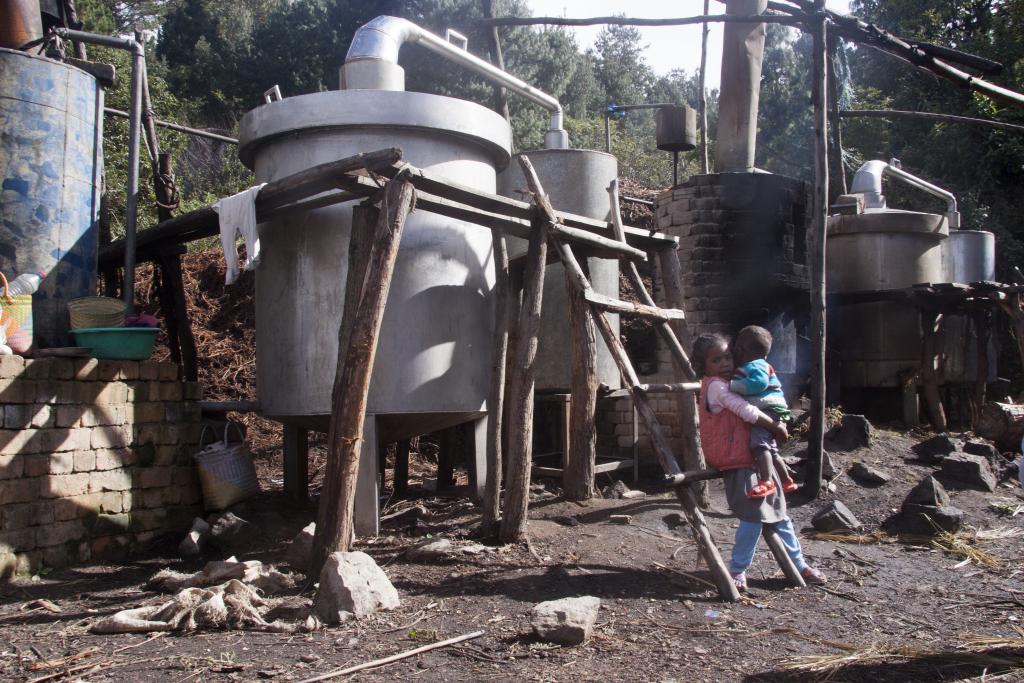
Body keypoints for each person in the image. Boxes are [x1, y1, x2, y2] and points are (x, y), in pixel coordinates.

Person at [691, 332, 827, 591]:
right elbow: (745, 411)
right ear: (704, 366)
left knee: (780, 516)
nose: (725, 364)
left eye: (728, 357)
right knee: (753, 517)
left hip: (754, 458)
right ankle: (738, 569)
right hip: (736, 459)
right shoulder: (717, 387)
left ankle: (799, 563)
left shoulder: (733, 380)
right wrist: (776, 427)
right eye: (716, 360)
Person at [729, 325, 798, 498]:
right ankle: (786, 480)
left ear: (740, 349)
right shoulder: (758, 363)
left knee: (759, 445)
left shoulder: (756, 365)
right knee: (771, 450)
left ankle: (767, 481)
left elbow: (759, 384)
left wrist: (733, 386)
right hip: (773, 409)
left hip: (769, 408)